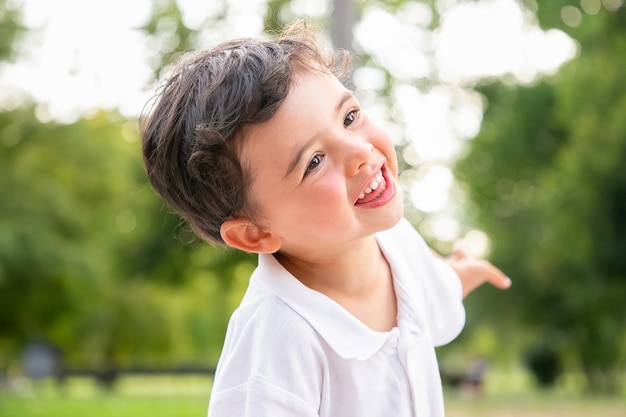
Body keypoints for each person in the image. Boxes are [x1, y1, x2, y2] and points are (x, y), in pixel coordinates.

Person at [141, 20, 511, 417]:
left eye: (349, 117)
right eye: (314, 162)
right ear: (254, 233)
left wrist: (457, 276)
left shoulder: (397, 243)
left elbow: (432, 301)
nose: (360, 153)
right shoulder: (277, 341)